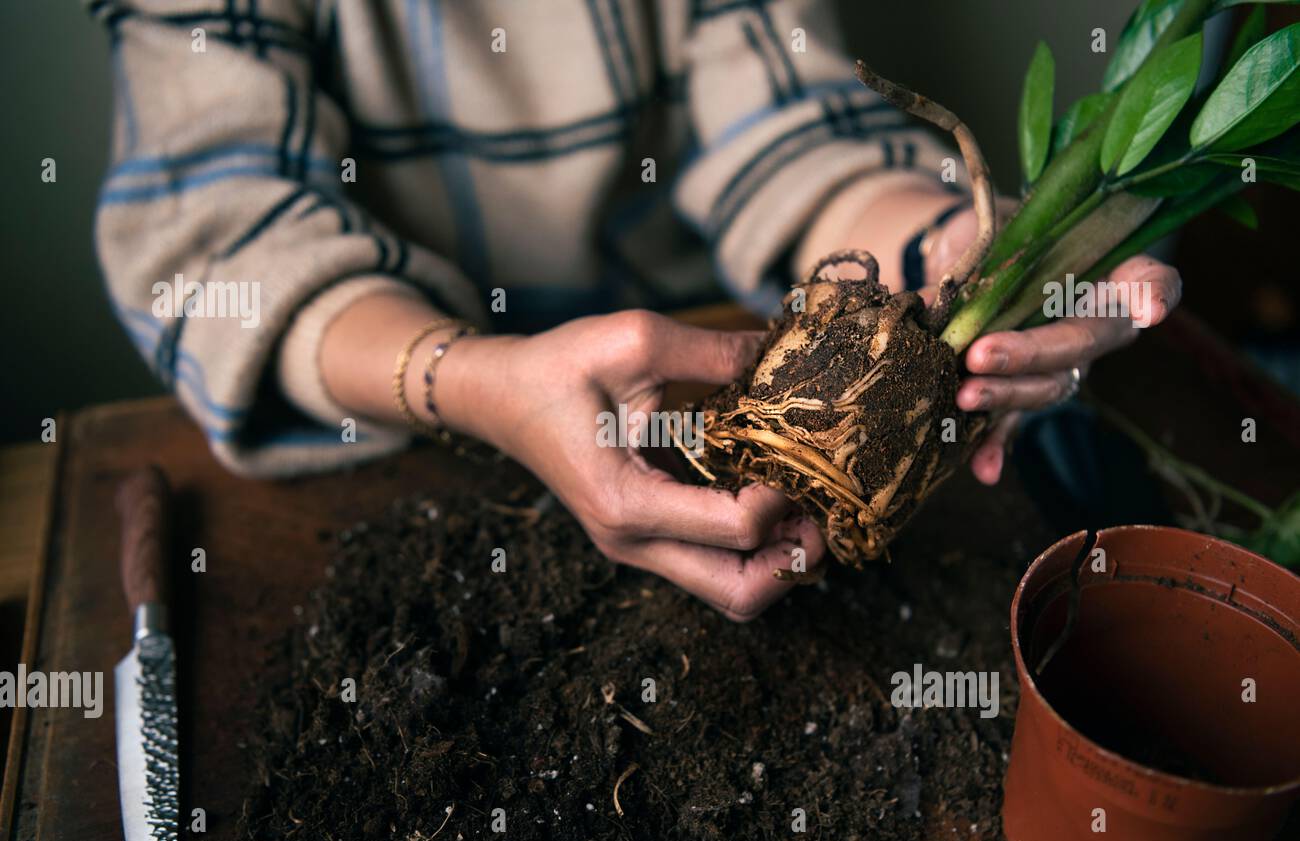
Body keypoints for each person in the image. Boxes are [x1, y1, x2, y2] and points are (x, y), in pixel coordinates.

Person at [91, 0, 1180, 620]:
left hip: (696, 377)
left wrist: (943, 255)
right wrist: (469, 379)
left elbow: (788, 134)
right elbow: (222, 230)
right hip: (387, 401)